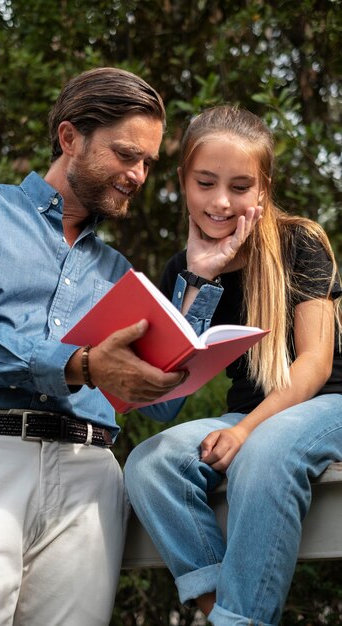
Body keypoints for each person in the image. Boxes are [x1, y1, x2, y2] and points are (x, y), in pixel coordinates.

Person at [0, 67, 198, 626]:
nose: (138, 174)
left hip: (90, 477)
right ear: (70, 137)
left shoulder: (122, 274)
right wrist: (80, 364)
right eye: (126, 154)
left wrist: (202, 280)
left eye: (146, 162)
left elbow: (159, 402)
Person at [124, 104, 342, 626]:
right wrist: (198, 283)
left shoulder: (300, 242)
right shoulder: (184, 269)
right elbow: (162, 407)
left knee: (265, 450)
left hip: (325, 404)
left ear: (262, 189)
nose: (221, 201)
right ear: (183, 183)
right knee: (150, 464)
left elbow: (314, 364)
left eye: (241, 186)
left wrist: (244, 430)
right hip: (250, 419)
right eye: (206, 183)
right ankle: (223, 611)